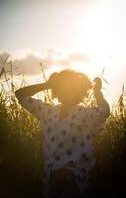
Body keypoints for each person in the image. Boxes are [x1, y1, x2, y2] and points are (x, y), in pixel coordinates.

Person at [15, 69, 110, 198]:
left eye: (70, 87)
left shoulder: (84, 114)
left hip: (74, 179)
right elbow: (20, 94)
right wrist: (47, 85)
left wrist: (97, 92)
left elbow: (104, 112)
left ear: (78, 91)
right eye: (61, 86)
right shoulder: (47, 111)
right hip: (50, 179)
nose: (65, 90)